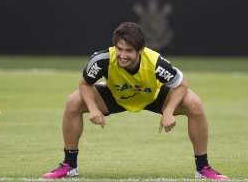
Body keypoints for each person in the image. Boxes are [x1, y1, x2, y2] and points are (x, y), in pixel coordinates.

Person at [42, 22, 229, 180]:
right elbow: (84, 83)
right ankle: (69, 165)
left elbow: (182, 84)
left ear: (140, 50)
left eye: (129, 50)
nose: (122, 55)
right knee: (73, 101)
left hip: (152, 96)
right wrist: (93, 108)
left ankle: (202, 168)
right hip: (115, 95)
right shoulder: (102, 60)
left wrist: (168, 111)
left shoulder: (156, 63)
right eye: (119, 49)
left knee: (194, 103)